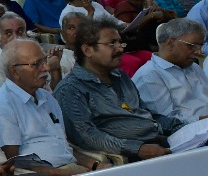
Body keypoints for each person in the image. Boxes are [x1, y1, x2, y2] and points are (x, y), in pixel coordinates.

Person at [55, 17, 182, 160]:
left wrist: (181, 127)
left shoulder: (121, 76)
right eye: (112, 43)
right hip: (132, 155)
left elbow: (147, 114)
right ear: (87, 50)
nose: (120, 48)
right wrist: (138, 149)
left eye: (120, 42)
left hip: (159, 139)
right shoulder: (70, 89)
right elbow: (87, 136)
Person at [0, 40, 98, 176]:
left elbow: (63, 147)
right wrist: (67, 174)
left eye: (45, 60)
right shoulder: (2, 105)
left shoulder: (46, 96)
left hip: (68, 170)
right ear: (15, 71)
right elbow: (12, 165)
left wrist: (94, 165)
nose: (46, 68)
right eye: (37, 64)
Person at [132, 17, 208, 121]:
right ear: (170, 43)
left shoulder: (193, 67)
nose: (199, 52)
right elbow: (168, 121)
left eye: (200, 46)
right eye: (192, 46)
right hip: (192, 128)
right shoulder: (149, 75)